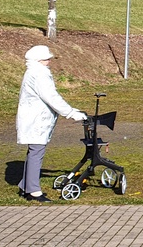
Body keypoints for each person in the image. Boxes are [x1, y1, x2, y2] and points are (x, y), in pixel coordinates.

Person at [16, 45, 86, 202]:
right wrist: (71, 113)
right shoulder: (39, 74)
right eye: (47, 59)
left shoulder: (34, 72)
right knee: (36, 152)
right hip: (36, 119)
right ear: (39, 60)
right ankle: (33, 191)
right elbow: (51, 97)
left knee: (34, 151)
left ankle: (25, 186)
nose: (49, 61)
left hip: (35, 117)